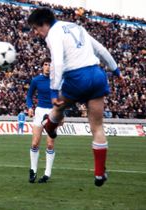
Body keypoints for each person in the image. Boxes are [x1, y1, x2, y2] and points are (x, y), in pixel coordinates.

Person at [27, 8, 124, 187]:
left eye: (35, 28)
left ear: (43, 24)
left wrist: (54, 91)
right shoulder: (77, 27)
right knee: (97, 127)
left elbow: (57, 62)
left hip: (77, 77)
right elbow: (100, 49)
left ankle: (50, 125)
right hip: (97, 74)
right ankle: (99, 173)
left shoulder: (52, 34)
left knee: (58, 107)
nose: (36, 33)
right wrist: (115, 70)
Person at [26, 58, 55, 183]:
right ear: (42, 66)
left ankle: (47, 174)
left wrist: (62, 113)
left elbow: (62, 97)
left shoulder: (57, 80)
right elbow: (29, 95)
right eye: (45, 64)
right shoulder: (36, 80)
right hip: (39, 111)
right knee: (34, 143)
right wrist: (29, 107)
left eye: (50, 65)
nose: (48, 67)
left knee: (49, 144)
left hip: (53, 112)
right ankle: (33, 170)